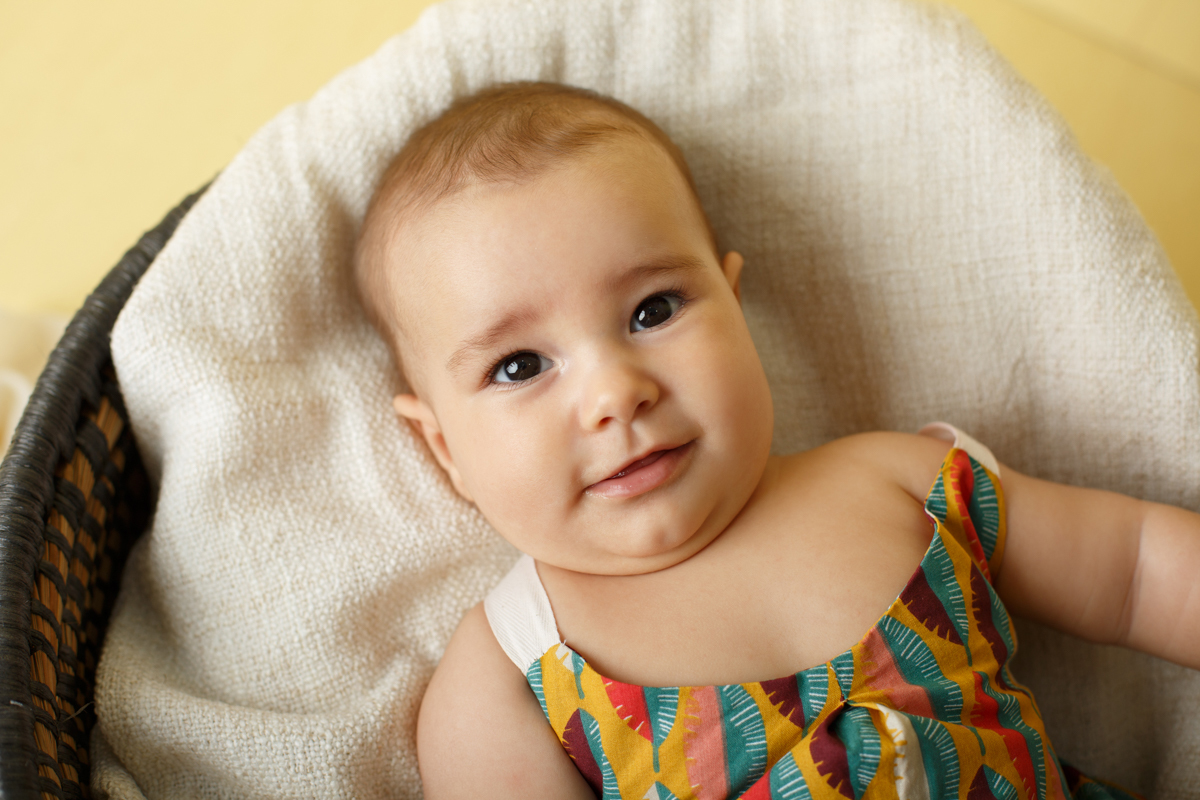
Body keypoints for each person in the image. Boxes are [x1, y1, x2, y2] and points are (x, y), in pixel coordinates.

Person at [352, 81, 1199, 800]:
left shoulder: (895, 481)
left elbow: (1131, 571)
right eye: (519, 365)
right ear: (444, 449)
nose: (614, 392)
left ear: (735, 303)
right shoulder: (507, 673)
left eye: (654, 310)